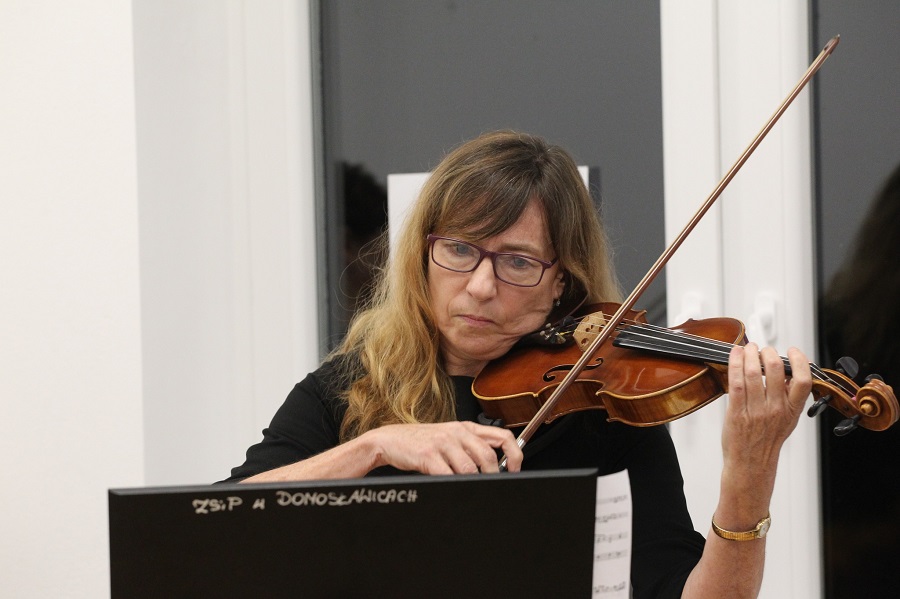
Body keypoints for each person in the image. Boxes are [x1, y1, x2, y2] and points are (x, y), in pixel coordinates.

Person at [224, 130, 812, 598]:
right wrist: (374, 446)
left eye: (518, 262)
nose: (481, 286)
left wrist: (749, 476)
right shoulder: (349, 389)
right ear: (423, 255)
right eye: (459, 249)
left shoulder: (605, 409)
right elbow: (219, 527)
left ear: (561, 284)